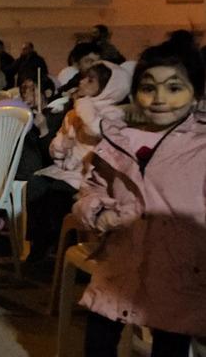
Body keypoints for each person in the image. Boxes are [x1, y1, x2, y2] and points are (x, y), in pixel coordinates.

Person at [73, 41, 205, 355]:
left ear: (197, 94)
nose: (160, 99)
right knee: (98, 341)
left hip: (179, 273)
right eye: (149, 87)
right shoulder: (119, 139)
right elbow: (91, 188)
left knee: (169, 345)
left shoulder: (200, 148)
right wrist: (97, 210)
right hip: (120, 264)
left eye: (174, 88)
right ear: (135, 94)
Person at [25, 61, 130, 262]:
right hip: (68, 170)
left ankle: (60, 247)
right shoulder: (76, 111)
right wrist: (60, 146)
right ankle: (38, 246)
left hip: (92, 176)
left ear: (108, 88)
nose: (82, 82)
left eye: (90, 80)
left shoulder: (114, 113)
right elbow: (60, 144)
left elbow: (95, 130)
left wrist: (83, 107)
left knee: (57, 194)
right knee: (36, 186)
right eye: (84, 78)